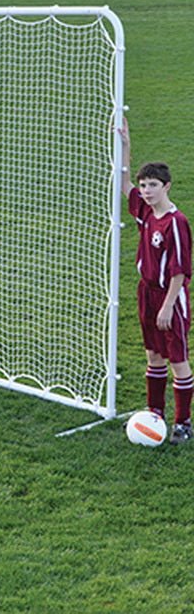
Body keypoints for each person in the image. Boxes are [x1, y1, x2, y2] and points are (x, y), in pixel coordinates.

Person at [120, 117, 193, 444]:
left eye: (152, 185)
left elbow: (179, 270)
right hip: (145, 293)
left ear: (167, 186)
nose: (146, 191)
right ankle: (154, 414)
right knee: (153, 355)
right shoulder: (146, 212)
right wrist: (125, 144)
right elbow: (124, 185)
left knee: (177, 358)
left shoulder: (176, 222)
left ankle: (183, 423)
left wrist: (167, 307)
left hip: (169, 297)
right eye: (144, 185)